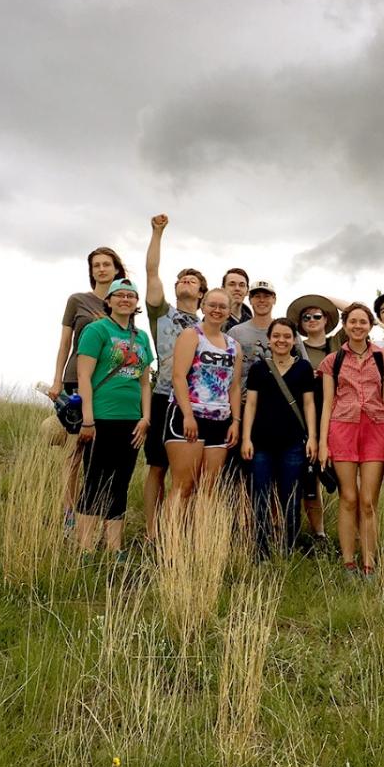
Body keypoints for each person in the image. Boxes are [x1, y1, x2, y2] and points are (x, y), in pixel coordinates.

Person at [47, 246, 127, 525]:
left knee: (100, 454)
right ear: (91, 271)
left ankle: (95, 511)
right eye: (96, 265)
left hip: (107, 384)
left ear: (116, 269)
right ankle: (69, 512)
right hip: (75, 380)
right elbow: (65, 343)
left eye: (107, 264)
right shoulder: (77, 300)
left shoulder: (123, 301)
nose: (102, 269)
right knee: (74, 450)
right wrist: (57, 379)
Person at [75, 278, 153, 557]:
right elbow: (84, 376)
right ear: (108, 301)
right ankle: (84, 546)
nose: (125, 299)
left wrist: (145, 418)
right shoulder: (97, 330)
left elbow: (145, 382)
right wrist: (88, 419)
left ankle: (114, 547)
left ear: (136, 303)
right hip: (101, 417)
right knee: (95, 480)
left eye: (130, 296)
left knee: (121, 481)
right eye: (118, 295)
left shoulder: (141, 337)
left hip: (132, 421)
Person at [318, 303, 384, 577]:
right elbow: (327, 403)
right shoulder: (332, 361)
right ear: (345, 324)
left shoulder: (383, 360)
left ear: (370, 325)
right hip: (342, 429)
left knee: (368, 501)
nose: (358, 326)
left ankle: (369, 563)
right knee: (348, 498)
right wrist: (323, 443)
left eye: (363, 322)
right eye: (353, 321)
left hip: (376, 430)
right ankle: (348, 562)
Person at [143, 214, 207, 541]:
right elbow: (152, 271)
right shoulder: (162, 313)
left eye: (191, 280)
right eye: (181, 278)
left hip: (194, 405)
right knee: (157, 466)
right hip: (161, 397)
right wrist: (157, 233)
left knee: (189, 473)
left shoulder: (209, 326)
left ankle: (181, 530)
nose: (184, 281)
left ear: (201, 292)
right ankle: (153, 533)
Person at [241, 318, 317, 558]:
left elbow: (309, 404)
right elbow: (250, 404)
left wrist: (313, 437)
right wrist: (246, 438)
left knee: (291, 498)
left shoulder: (303, 368)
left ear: (294, 340)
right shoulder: (259, 368)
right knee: (260, 498)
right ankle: (261, 550)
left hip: (293, 443)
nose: (282, 340)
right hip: (261, 442)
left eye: (287, 336)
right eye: (277, 336)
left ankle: (288, 549)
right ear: (269, 340)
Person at [166, 288, 242, 507]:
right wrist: (188, 415)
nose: (217, 310)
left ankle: (200, 540)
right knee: (184, 486)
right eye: (212, 305)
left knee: (208, 488)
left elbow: (234, 386)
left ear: (229, 311)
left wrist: (235, 421)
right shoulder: (192, 335)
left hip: (220, 419)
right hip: (189, 416)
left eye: (222, 306)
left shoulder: (233, 346)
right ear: (203, 306)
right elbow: (178, 376)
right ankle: (170, 540)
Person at [287, 292, 346, 545]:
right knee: (308, 478)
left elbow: (364, 314)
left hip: (338, 417)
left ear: (327, 319)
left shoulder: (338, 344)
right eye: (306, 316)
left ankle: (350, 533)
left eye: (317, 315)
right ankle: (316, 534)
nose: (311, 319)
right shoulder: (293, 346)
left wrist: (328, 297)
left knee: (343, 478)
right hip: (303, 416)